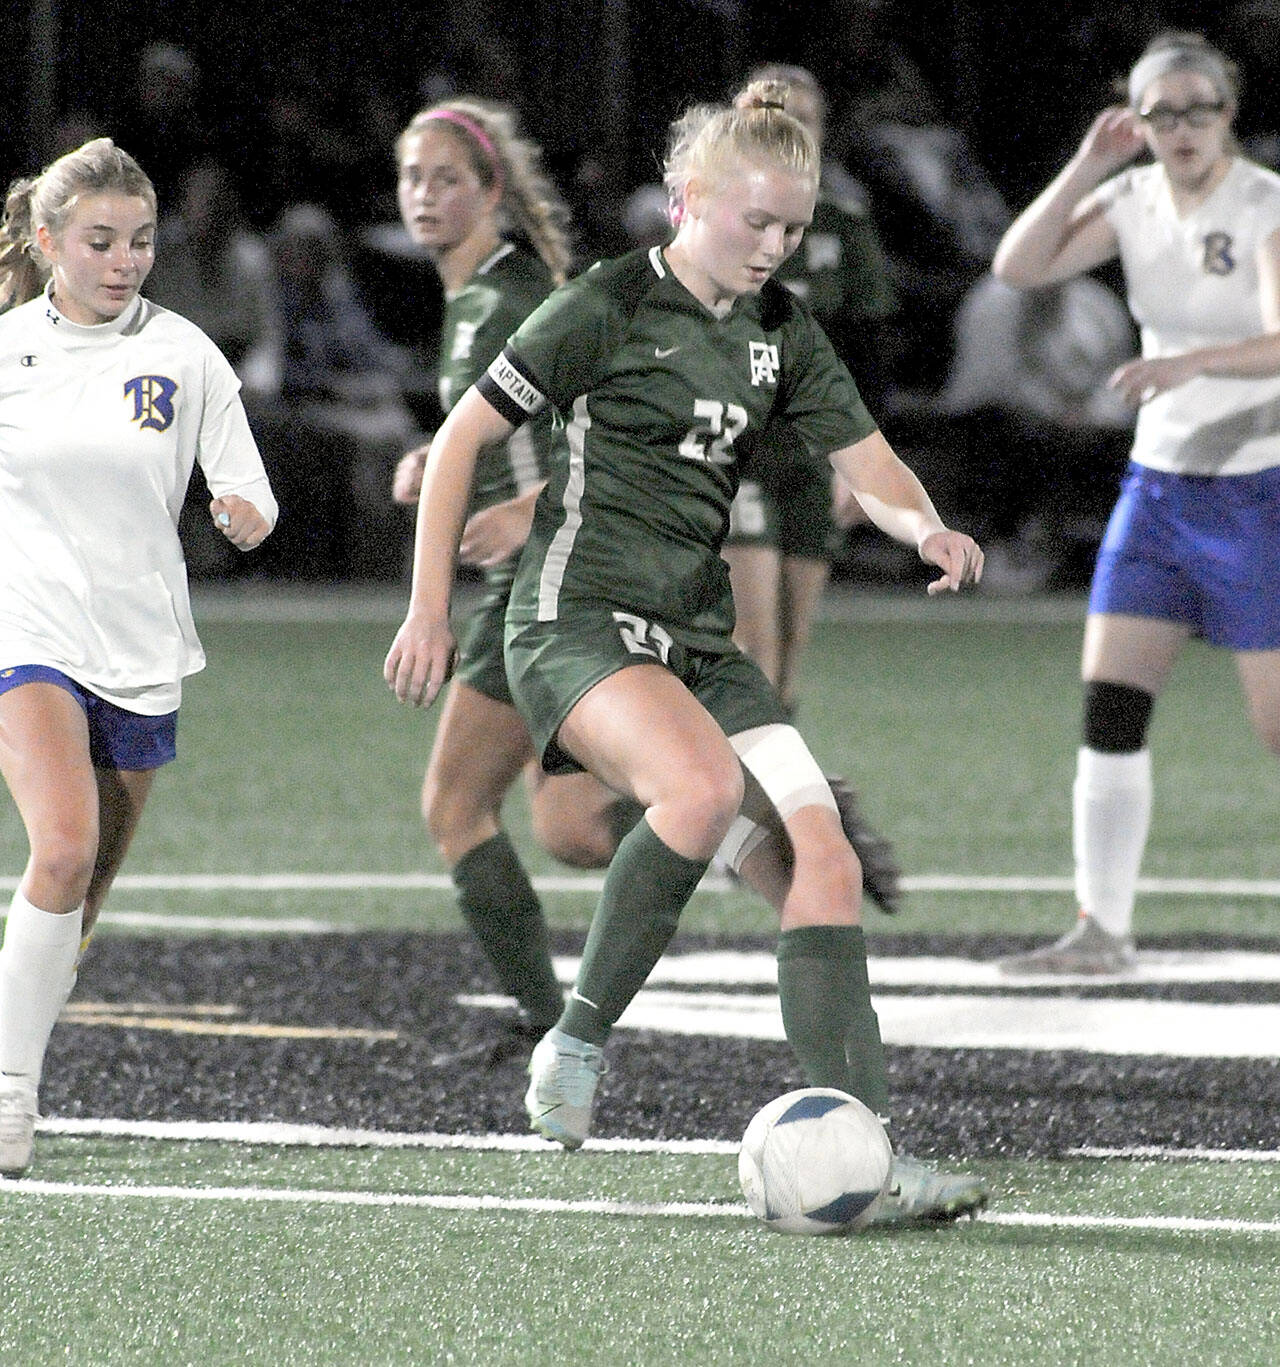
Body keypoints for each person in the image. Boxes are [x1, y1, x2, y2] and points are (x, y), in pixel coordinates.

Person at [386, 80, 988, 1223]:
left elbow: (867, 461)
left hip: (695, 639)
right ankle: (575, 1040)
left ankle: (866, 1150)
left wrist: (923, 525)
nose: (774, 246)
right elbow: (464, 438)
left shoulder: (779, 334)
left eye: (792, 228)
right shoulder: (606, 302)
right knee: (700, 788)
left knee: (825, 860)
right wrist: (424, 609)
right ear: (685, 200)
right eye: (753, 221)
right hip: (572, 620)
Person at [0, 138, 277, 1175]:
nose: (124, 261)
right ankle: (10, 1098)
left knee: (82, 889)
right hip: (22, 631)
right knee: (61, 848)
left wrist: (247, 513)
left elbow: (246, 484)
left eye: (141, 241)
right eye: (100, 241)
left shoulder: (186, 355)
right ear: (48, 241)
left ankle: (15, 1031)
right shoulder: (7, 350)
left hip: (138, 643)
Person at [991, 32, 1280, 973]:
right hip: (1158, 489)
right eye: (1163, 111)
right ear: (1138, 119)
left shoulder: (1263, 202)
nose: (1184, 127)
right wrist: (1086, 163)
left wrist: (1189, 363)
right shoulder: (1131, 194)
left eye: (1201, 109)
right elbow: (1018, 267)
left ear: (1229, 115)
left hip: (1258, 490)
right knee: (1111, 708)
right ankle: (1101, 931)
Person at [390, 98, 641, 1063]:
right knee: (575, 825)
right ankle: (735, 813)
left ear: (492, 190)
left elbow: (616, 433)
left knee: (455, 806)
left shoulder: (507, 300)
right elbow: (510, 433)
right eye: (413, 177)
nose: (424, 195)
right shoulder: (477, 294)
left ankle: (550, 1029)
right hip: (549, 579)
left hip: (543, 583)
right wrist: (442, 457)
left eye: (446, 178)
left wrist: (523, 513)